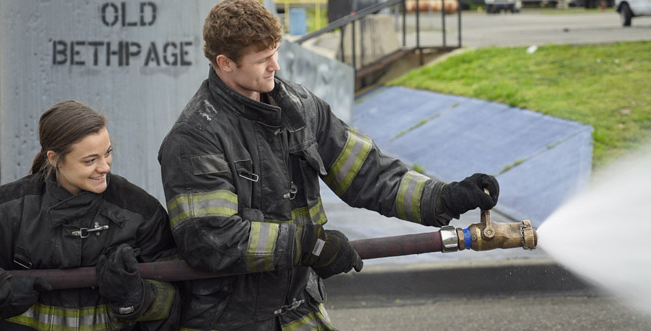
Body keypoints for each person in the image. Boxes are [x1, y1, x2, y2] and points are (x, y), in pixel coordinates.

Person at [157, 0, 499, 329]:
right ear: (225, 62)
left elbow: (369, 173)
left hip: (299, 313)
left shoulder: (299, 107)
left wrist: (443, 197)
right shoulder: (195, 138)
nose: (275, 65)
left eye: (275, 51)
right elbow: (211, 239)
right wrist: (309, 245)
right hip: (231, 320)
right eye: (262, 59)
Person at [0, 101, 179, 330]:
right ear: (54, 158)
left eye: (108, 153)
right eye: (90, 160)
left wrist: (139, 296)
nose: (104, 167)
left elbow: (180, 294)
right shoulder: (7, 209)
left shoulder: (139, 211)